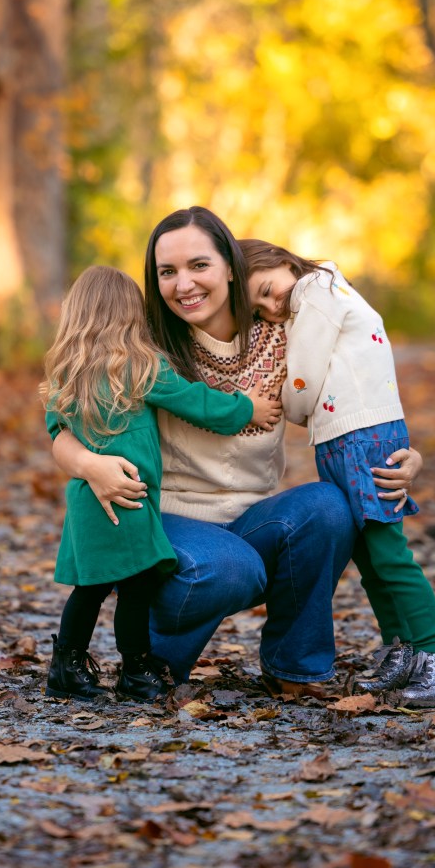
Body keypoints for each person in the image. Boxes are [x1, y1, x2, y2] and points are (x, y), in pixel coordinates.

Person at [51, 208, 423, 698]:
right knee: (231, 566)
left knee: (328, 509)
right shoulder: (143, 342)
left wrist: (402, 450)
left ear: (230, 265)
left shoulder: (285, 333)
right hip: (168, 522)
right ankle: (150, 658)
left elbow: (358, 389)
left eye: (198, 265)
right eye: (168, 272)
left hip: (253, 518)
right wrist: (88, 465)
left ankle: (294, 667)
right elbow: (62, 422)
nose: (184, 284)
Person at [40, 264, 282, 703]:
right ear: (132, 315)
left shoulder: (68, 373)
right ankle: (134, 669)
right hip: (130, 497)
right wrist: (247, 409)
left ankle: (67, 666)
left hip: (88, 497)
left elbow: (56, 429)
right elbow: (199, 404)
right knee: (136, 586)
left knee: (91, 587)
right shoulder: (143, 366)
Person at [240, 238, 435, 708]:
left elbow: (303, 379)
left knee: (388, 553)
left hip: (361, 437)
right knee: (368, 556)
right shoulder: (308, 301)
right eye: (258, 307)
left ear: (284, 262)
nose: (269, 305)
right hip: (341, 439)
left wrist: (289, 406)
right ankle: (401, 649)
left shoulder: (317, 289)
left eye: (266, 289)